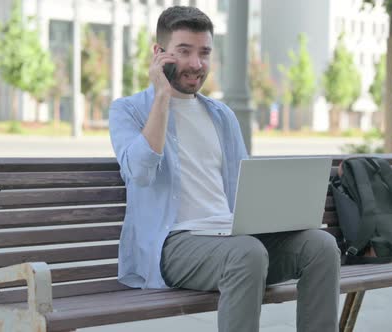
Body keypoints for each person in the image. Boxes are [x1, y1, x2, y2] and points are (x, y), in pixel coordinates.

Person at [108, 6, 340, 332]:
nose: (196, 64)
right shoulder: (128, 110)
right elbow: (140, 172)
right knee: (246, 253)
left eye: (204, 53)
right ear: (159, 54)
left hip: (232, 238)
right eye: (184, 51)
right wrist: (161, 96)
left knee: (320, 246)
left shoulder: (222, 116)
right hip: (174, 244)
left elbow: (245, 188)